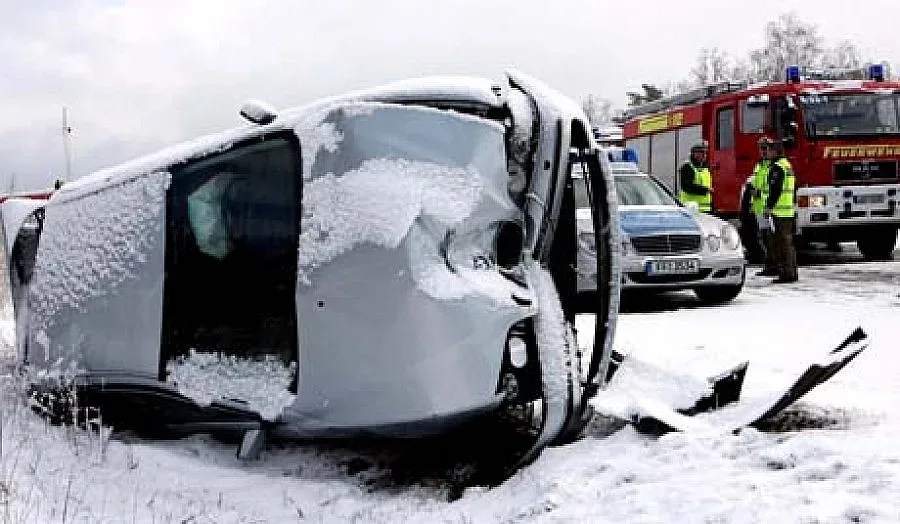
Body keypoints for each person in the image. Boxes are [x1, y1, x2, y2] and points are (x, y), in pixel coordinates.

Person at [759, 138, 799, 283]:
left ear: (775, 151)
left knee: (779, 244)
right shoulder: (787, 165)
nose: (766, 153)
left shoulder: (777, 167)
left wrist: (769, 207)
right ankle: (791, 271)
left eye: (769, 150)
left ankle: (785, 273)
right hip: (787, 211)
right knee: (788, 243)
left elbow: (775, 190)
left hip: (778, 212)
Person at [678, 140, 713, 213]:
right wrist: (706, 190)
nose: (704, 155)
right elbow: (687, 186)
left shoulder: (705, 168)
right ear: (693, 154)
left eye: (705, 153)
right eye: (701, 152)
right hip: (690, 209)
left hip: (706, 209)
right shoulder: (687, 167)